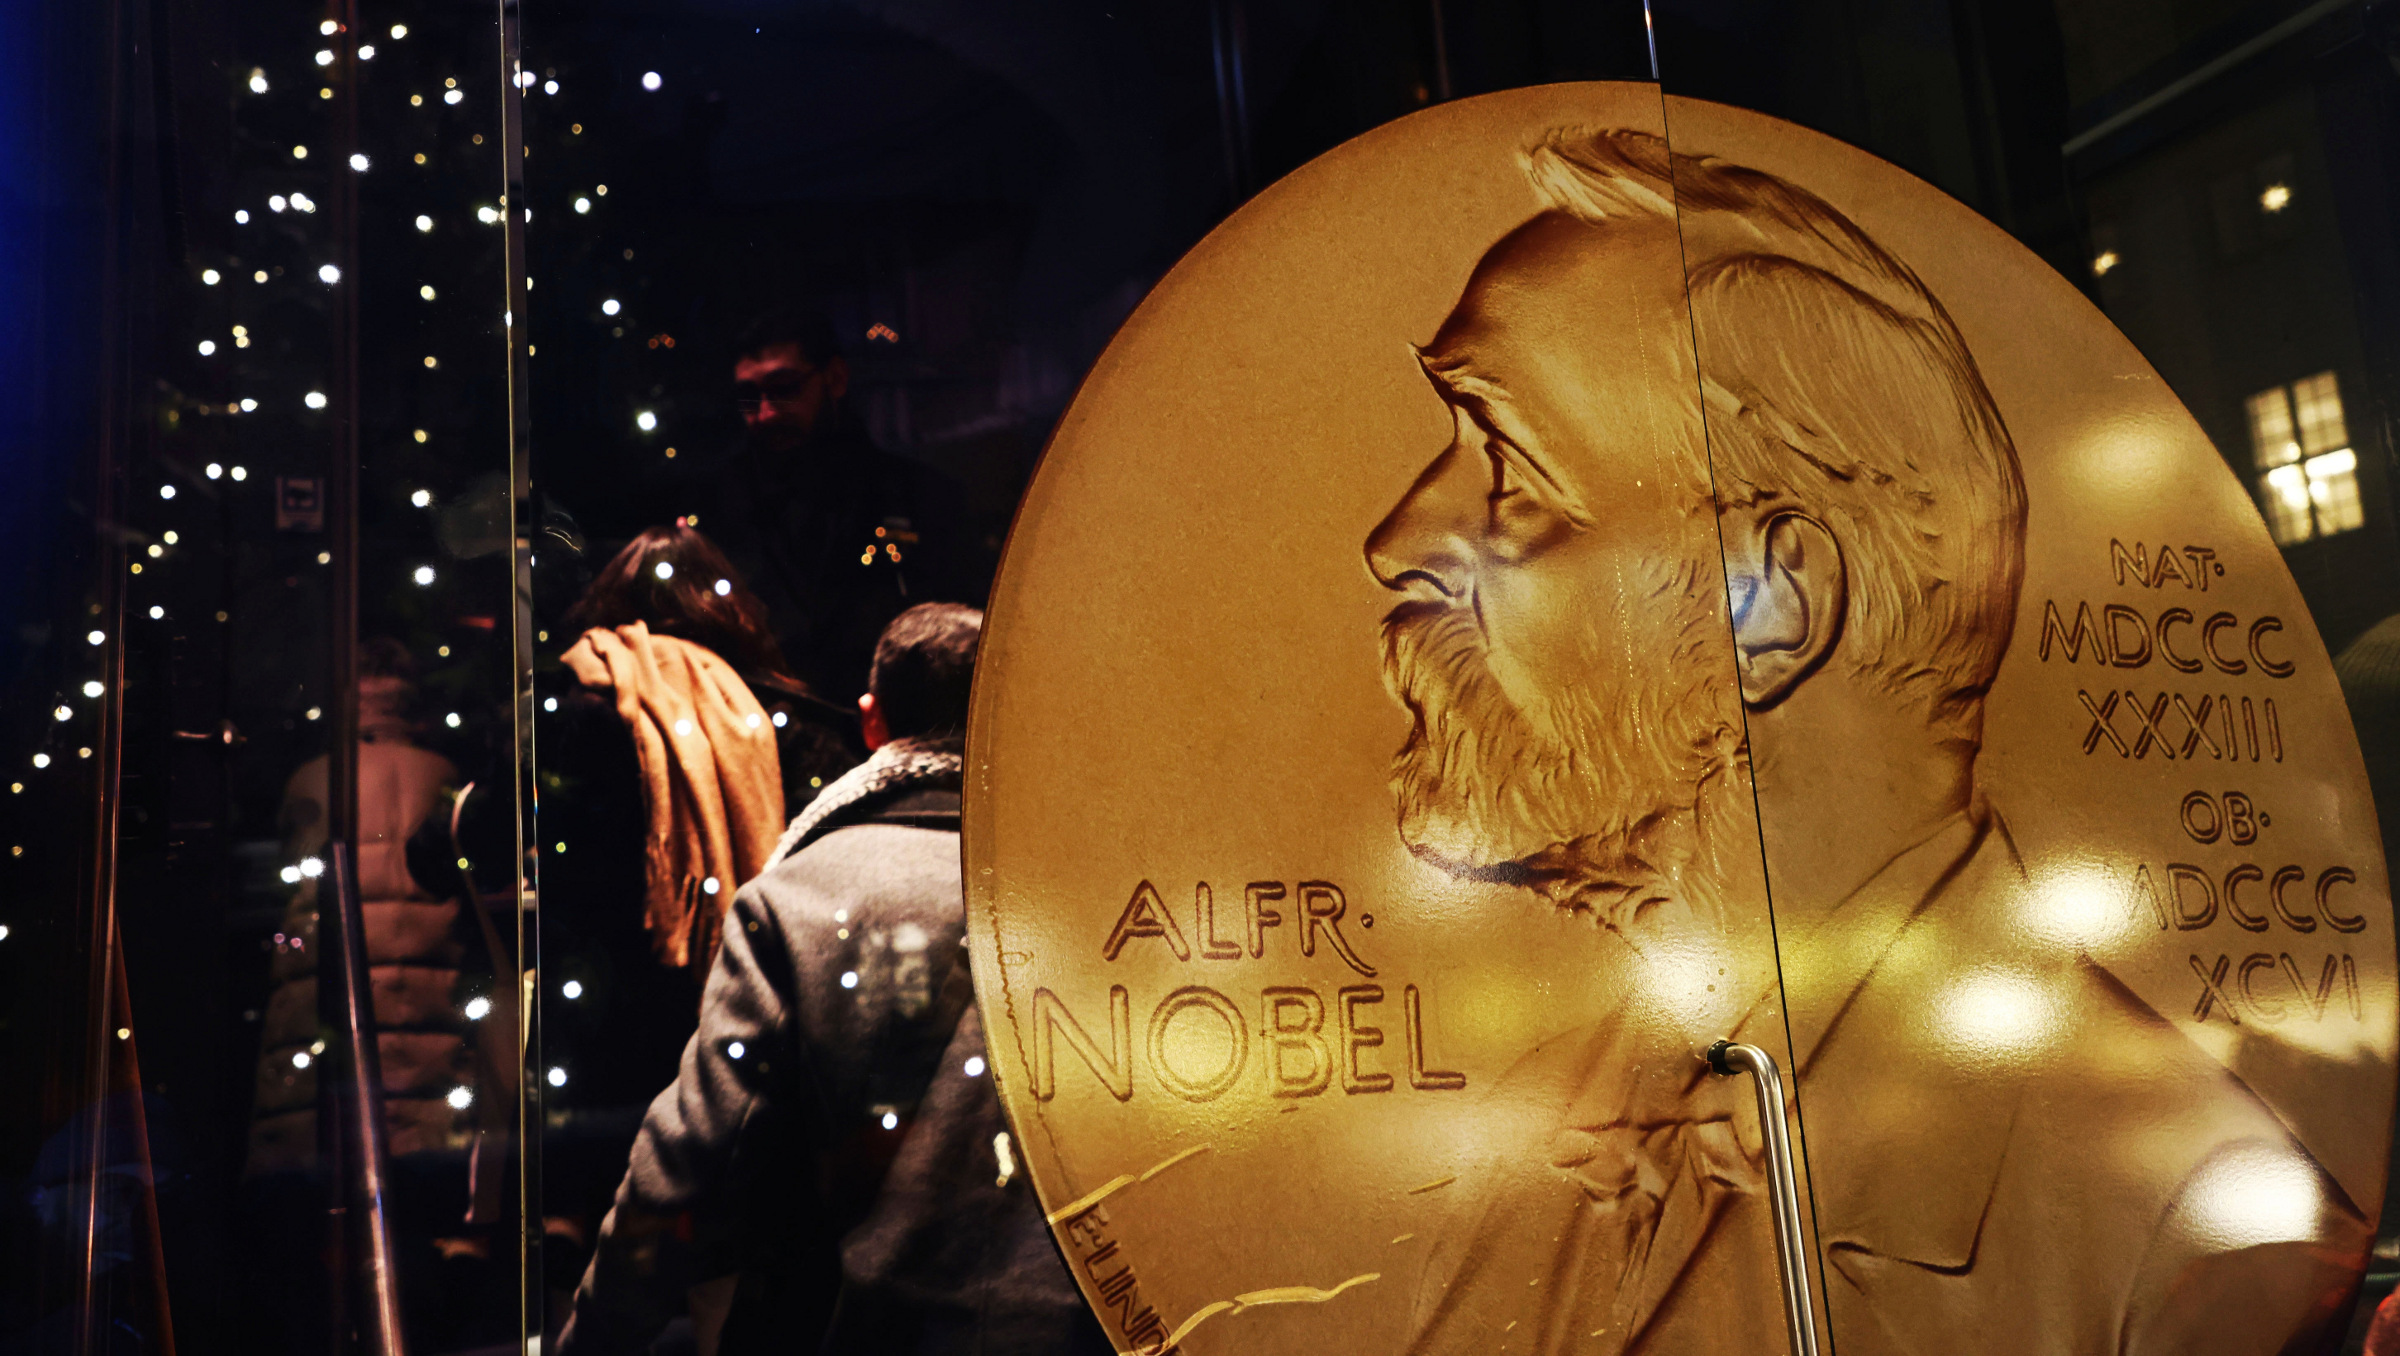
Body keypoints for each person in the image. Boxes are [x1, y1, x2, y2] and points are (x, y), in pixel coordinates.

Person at [1367, 128, 2367, 1355]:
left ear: (1772, 602)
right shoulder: (1529, 1141)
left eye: (1510, 468)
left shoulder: (2192, 1224)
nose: (1400, 535)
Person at [556, 603, 1105, 1356]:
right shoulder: (1107, 892)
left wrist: (594, 1340)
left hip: (862, 1329)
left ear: (872, 720)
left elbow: (689, 1165)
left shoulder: (798, 897)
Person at [675, 303, 981, 699]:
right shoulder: (715, 509)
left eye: (784, 388)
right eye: (749, 396)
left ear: (835, 378)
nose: (765, 413)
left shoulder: (923, 497)